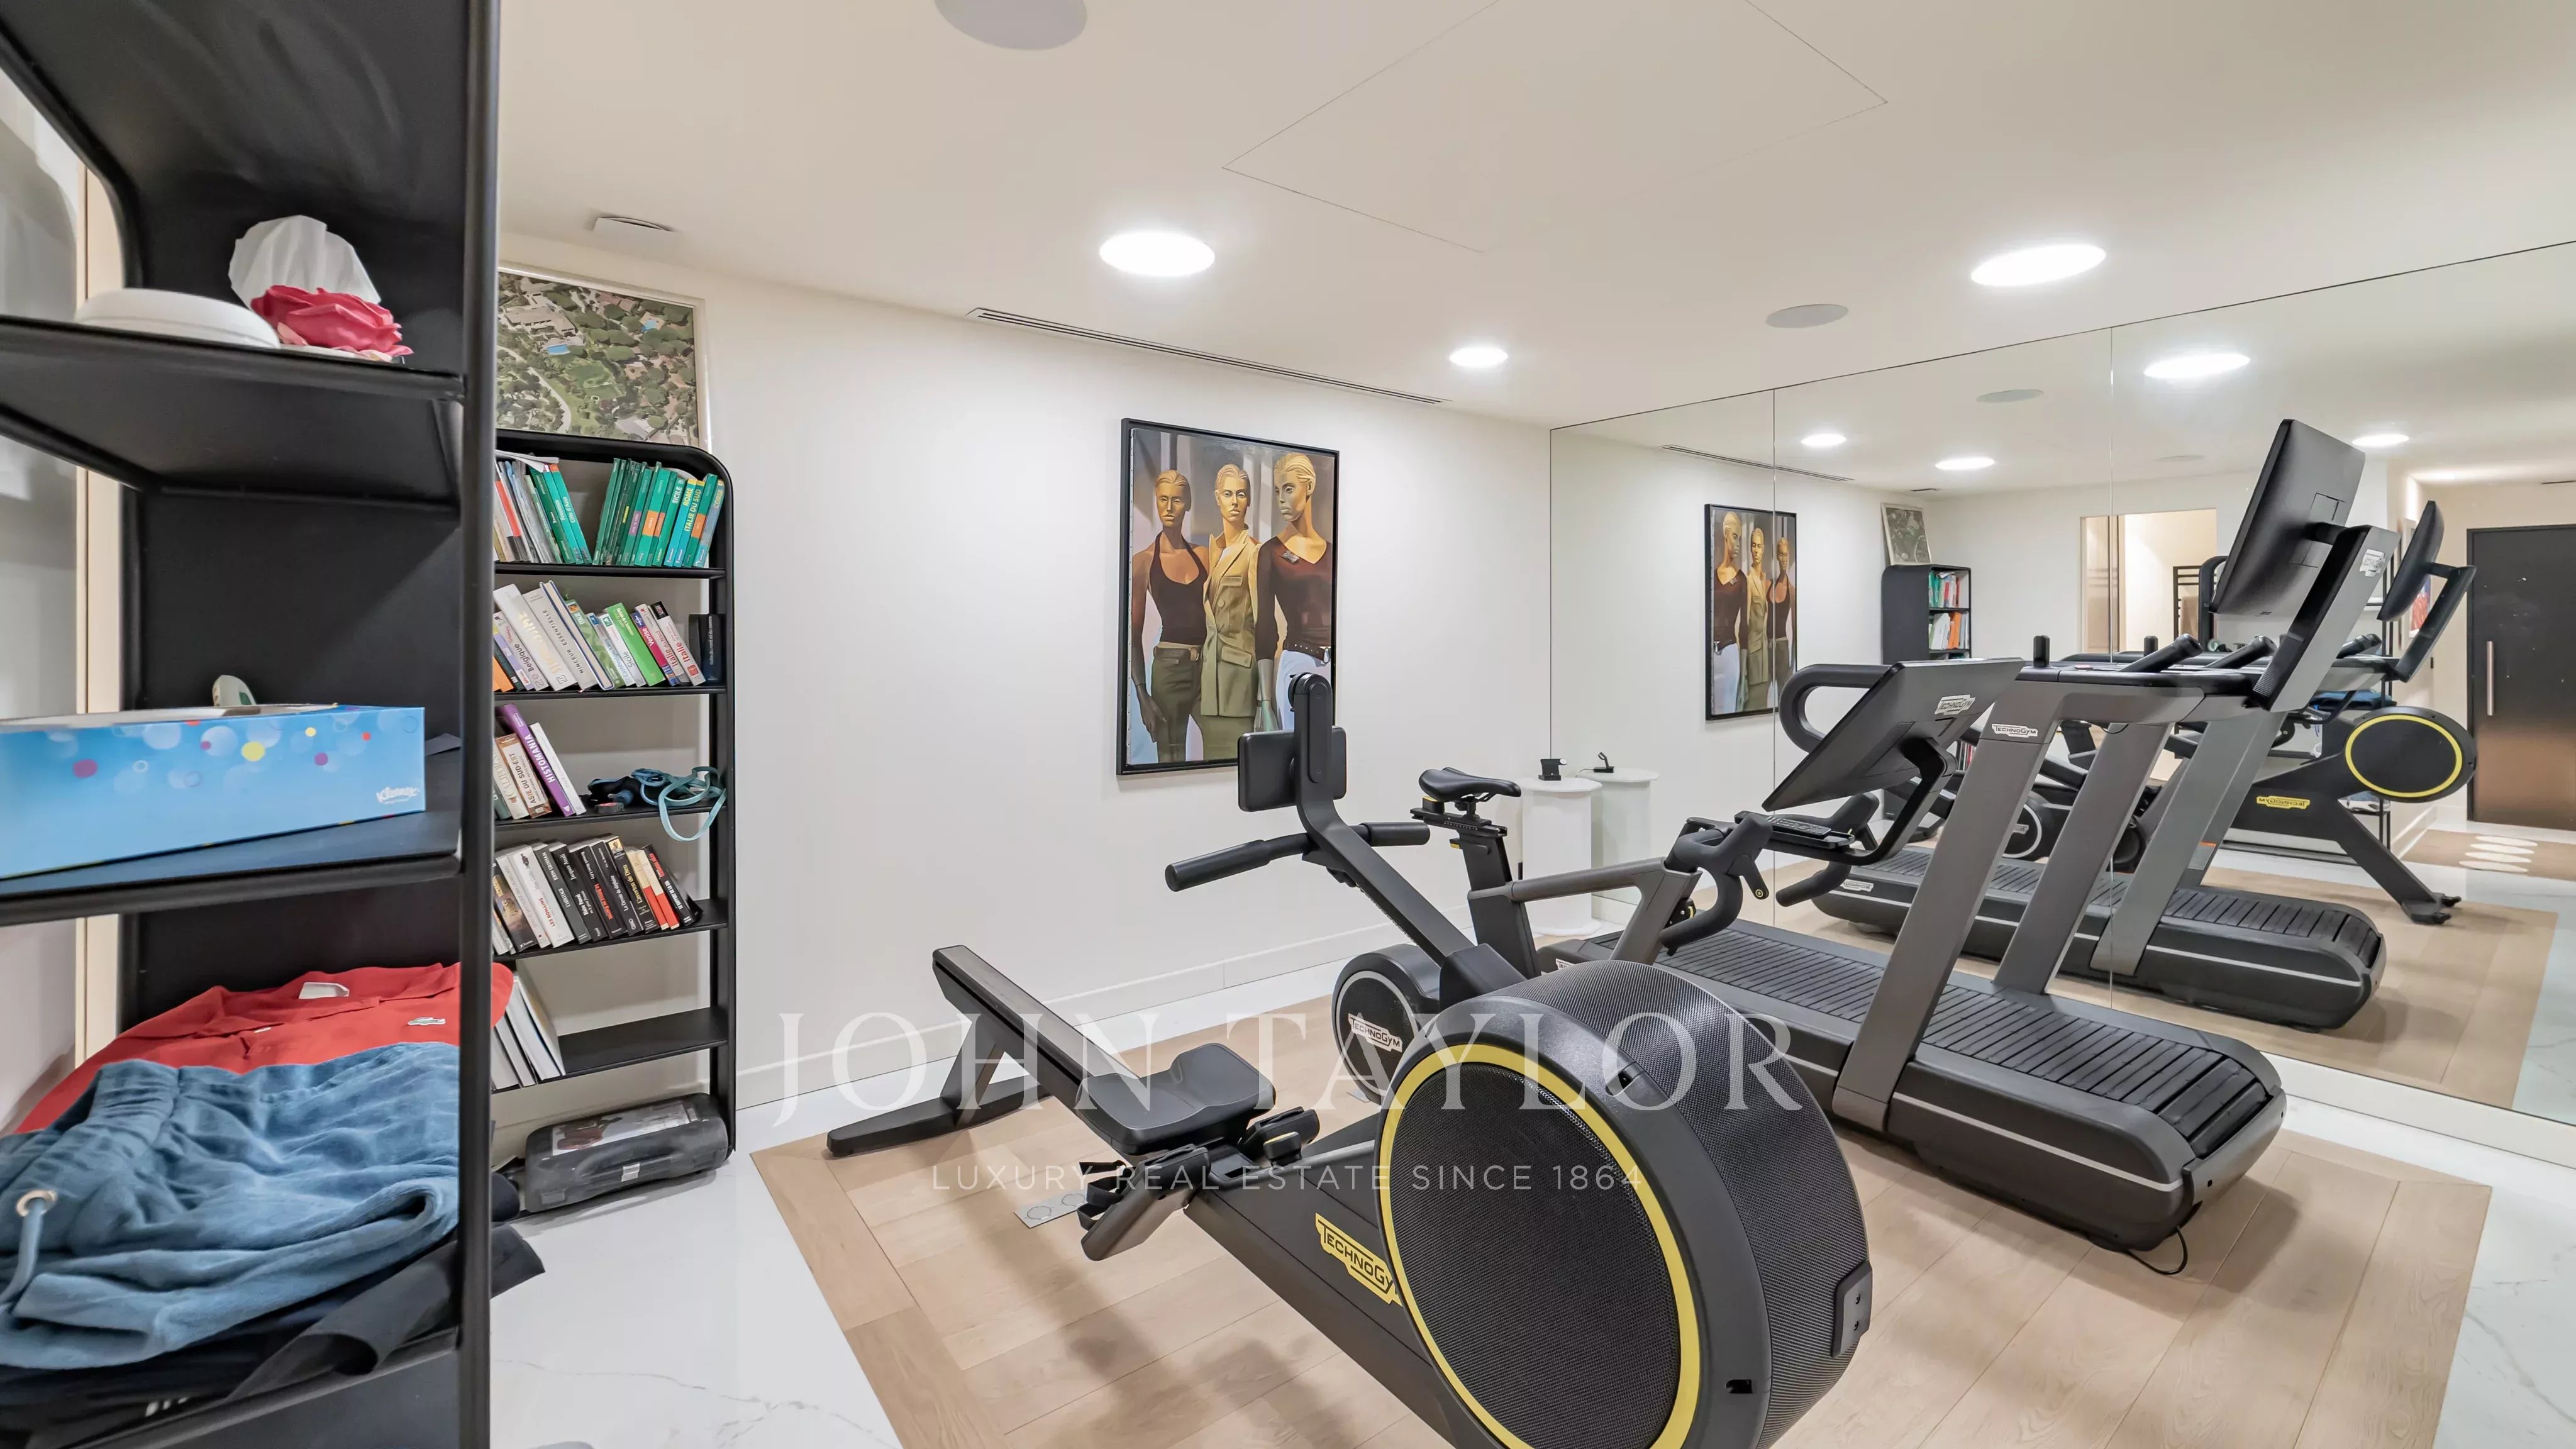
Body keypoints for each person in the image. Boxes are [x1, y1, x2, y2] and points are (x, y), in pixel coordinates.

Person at [1127, 469, 1206, 764]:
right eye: (1163, 499)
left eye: (1177, 500)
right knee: (1171, 760)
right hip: (1170, 671)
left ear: (1188, 503)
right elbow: (1133, 635)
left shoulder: (1204, 555)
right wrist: (1142, 696)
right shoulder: (1144, 561)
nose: (1169, 508)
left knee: (1224, 746)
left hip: (1208, 667)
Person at [1257, 453, 1333, 736]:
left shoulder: (1333, 552)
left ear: (1309, 487)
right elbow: (1265, 628)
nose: (1281, 499)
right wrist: (1265, 704)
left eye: (1289, 489)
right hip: (1297, 663)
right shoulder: (1272, 552)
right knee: (1298, 750)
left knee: (1336, 747)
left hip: (1336, 666)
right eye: (1278, 491)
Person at [1198, 463, 1263, 759]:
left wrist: (1264, 698)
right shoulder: (1213, 550)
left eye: (1241, 494)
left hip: (1239, 686)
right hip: (1210, 686)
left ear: (1249, 500)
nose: (1235, 502)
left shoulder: (1254, 552)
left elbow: (1264, 627)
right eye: (1228, 494)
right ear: (1217, 498)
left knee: (1238, 771)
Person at [1709, 511, 1746, 716]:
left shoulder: (1741, 580)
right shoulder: (1712, 576)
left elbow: (1745, 628)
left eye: (1740, 538)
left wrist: (1745, 676)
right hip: (1710, 654)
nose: (1738, 543)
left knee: (1729, 709)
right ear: (1725, 535)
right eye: (1734, 537)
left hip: (1730, 652)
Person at [1743, 523, 1772, 712]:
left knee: (1763, 707)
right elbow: (1745, 624)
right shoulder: (1749, 580)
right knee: (1752, 708)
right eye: (1753, 545)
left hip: (1765, 659)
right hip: (1753, 659)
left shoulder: (1764, 580)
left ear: (1764, 549)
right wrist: (1744, 670)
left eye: (1759, 546)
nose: (1756, 550)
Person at [1769, 531, 1797, 692]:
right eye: (1781, 554)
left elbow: (1795, 629)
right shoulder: (1769, 585)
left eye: (1786, 555)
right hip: (1767, 647)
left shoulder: (1791, 590)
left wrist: (1793, 665)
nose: (1784, 559)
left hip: (1782, 647)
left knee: (1782, 692)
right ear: (1777, 557)